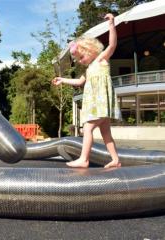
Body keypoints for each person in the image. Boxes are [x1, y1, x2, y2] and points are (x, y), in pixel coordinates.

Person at [52, 13, 121, 168]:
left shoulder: (101, 59)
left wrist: (111, 25)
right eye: (77, 59)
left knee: (87, 128)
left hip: (100, 103)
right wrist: (62, 80)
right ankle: (115, 159)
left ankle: (84, 159)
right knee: (106, 133)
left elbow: (112, 45)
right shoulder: (88, 70)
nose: (80, 61)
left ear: (90, 50)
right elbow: (78, 82)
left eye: (81, 57)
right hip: (98, 106)